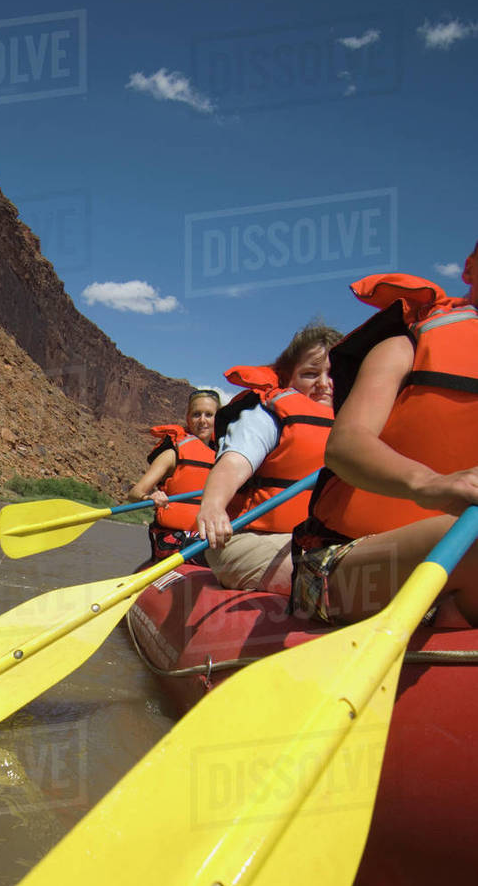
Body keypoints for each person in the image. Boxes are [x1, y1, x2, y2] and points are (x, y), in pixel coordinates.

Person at [291, 249, 478, 627]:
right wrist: (432, 484)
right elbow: (346, 447)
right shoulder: (401, 348)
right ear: (470, 268)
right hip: (338, 567)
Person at [195, 321, 341, 594]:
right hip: (251, 539)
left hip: (322, 543)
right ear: (288, 380)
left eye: (333, 374)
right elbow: (233, 465)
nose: (324, 384)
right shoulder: (266, 418)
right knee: (350, 578)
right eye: (311, 374)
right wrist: (213, 505)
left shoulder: (362, 426)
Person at [127, 386, 221, 561]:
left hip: (209, 538)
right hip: (174, 540)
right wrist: (150, 498)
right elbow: (134, 494)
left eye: (209, 414)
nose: (202, 420)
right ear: (188, 418)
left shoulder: (226, 457)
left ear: (218, 419)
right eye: (196, 414)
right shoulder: (172, 454)